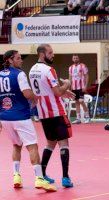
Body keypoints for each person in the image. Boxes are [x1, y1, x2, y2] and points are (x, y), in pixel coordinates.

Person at [0, 50, 56, 192]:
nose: (21, 60)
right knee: (32, 146)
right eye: (18, 58)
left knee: (16, 145)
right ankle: (39, 179)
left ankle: (16, 176)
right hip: (20, 116)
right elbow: (26, 93)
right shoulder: (19, 74)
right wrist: (36, 95)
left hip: (5, 117)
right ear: (10, 60)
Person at [29, 44, 75, 188]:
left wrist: (63, 92)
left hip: (43, 113)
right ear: (42, 54)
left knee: (50, 143)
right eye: (50, 53)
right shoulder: (49, 70)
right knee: (63, 143)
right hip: (56, 111)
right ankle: (65, 178)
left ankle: (42, 174)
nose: (52, 55)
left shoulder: (31, 70)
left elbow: (46, 89)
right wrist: (67, 85)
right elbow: (56, 93)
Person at [68, 54, 90, 124]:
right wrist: (69, 87)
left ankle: (87, 117)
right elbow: (70, 78)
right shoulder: (70, 67)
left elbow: (87, 76)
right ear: (72, 59)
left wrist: (85, 86)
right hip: (74, 87)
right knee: (76, 102)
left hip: (81, 87)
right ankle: (78, 118)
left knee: (81, 101)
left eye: (76, 58)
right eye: (74, 58)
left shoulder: (83, 66)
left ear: (78, 59)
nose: (75, 59)